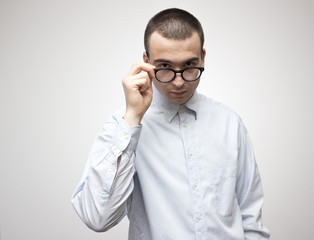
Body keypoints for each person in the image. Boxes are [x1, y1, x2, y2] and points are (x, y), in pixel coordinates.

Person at [71, 8, 270, 240]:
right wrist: (132, 120)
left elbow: (250, 215)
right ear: (146, 62)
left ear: (203, 57)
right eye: (164, 67)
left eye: (189, 65)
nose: (178, 82)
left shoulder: (229, 123)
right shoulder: (122, 126)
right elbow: (97, 218)